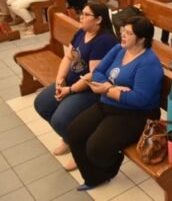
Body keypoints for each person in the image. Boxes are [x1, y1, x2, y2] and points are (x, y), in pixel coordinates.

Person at [67, 16, 163, 191]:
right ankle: (94, 177)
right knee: (74, 132)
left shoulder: (149, 63)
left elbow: (139, 99)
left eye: (128, 33)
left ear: (141, 39)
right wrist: (112, 88)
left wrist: (107, 89)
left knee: (96, 147)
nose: (122, 35)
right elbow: (98, 72)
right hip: (109, 103)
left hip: (135, 114)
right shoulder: (119, 49)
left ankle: (111, 165)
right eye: (122, 31)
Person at [34, 4, 118, 170]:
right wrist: (60, 79)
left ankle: (80, 150)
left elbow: (93, 75)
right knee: (42, 104)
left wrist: (70, 90)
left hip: (89, 90)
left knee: (60, 119)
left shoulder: (104, 41)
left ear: (99, 20)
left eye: (86, 14)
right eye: (82, 13)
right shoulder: (82, 32)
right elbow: (68, 57)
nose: (81, 17)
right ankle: (69, 139)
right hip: (70, 82)